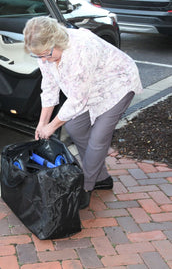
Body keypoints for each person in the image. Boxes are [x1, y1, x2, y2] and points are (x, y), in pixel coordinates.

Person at [23, 16, 142, 209]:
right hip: (89, 88)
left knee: (98, 138)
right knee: (75, 127)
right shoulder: (45, 53)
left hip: (118, 84)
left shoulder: (81, 50)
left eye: (46, 54)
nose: (43, 59)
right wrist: (42, 123)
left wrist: (52, 126)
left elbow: (77, 100)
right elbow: (50, 87)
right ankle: (101, 177)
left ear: (56, 41)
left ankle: (84, 188)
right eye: (39, 56)